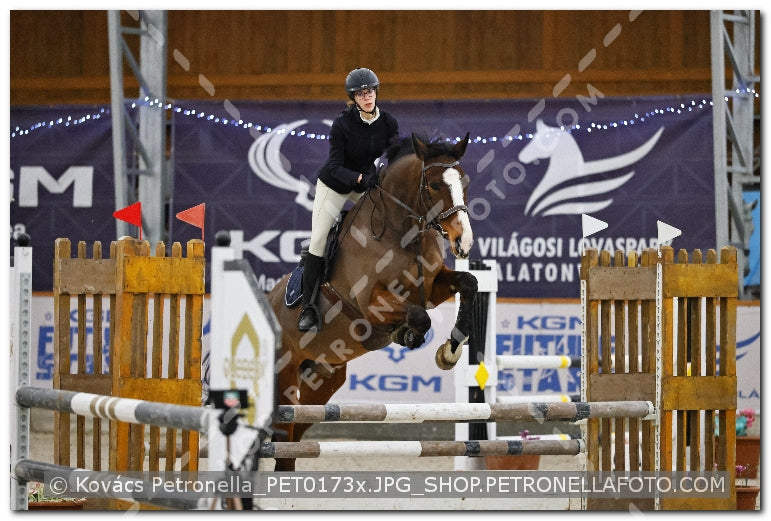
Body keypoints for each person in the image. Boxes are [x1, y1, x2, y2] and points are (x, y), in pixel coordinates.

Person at [298, 67, 399, 332]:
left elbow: (395, 154)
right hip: (335, 184)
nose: (367, 97)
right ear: (353, 98)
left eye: (370, 92)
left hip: (364, 183)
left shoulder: (388, 122)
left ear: (376, 93)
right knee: (318, 239)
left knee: (387, 225)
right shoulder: (342, 124)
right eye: (361, 94)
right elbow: (334, 166)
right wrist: (359, 179)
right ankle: (308, 308)